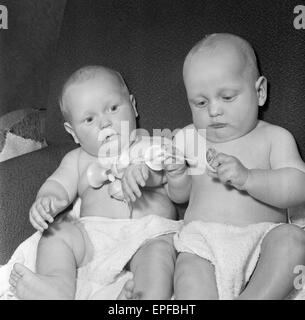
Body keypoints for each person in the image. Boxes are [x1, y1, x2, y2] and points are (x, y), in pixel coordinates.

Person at [122, 33, 305, 300]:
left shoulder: (274, 138)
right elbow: (174, 189)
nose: (214, 110)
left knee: (292, 241)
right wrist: (143, 172)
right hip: (202, 244)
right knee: (188, 269)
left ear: (259, 92)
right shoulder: (188, 138)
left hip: (263, 240)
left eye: (227, 97)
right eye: (201, 102)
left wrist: (249, 178)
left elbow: (299, 185)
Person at [8, 65, 181, 300]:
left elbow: (163, 171)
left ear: (133, 106)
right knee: (57, 233)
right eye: (89, 119)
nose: (105, 123)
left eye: (112, 108)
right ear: (74, 133)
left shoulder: (148, 145)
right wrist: (47, 200)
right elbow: (58, 185)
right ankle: (57, 284)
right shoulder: (77, 160)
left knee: (159, 257)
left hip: (148, 233)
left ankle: (145, 297)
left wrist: (142, 173)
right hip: (93, 237)